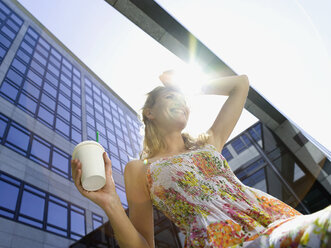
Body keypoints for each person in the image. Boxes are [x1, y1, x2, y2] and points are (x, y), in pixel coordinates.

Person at [71, 70, 331, 248]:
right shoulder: (140, 169)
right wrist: (111, 204)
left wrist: (186, 85)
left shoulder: (209, 142)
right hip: (221, 241)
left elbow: (241, 84)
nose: (181, 103)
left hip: (275, 218)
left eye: (184, 101)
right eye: (170, 97)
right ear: (149, 113)